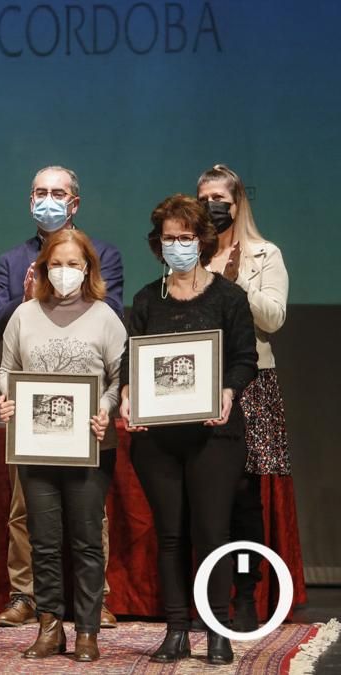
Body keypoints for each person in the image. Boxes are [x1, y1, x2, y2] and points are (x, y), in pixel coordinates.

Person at [120, 195, 257, 665]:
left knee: (212, 531)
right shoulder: (144, 300)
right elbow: (130, 364)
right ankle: (176, 629)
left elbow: (245, 360)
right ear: (158, 244)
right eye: (169, 238)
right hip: (158, 439)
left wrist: (227, 390)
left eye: (186, 237)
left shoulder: (228, 298)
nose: (177, 245)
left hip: (214, 435)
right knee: (171, 534)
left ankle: (217, 630)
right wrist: (125, 394)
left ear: (202, 240)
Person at [0, 166, 124, 629]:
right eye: (40, 192)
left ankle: (93, 602)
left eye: (57, 193)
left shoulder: (104, 255)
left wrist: (104, 408)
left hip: (85, 426)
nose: (48, 200)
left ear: (74, 203)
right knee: (28, 515)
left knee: (89, 522)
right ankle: (28, 599)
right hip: (33, 421)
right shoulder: (11, 261)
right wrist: (29, 295)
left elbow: (114, 323)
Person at [197, 165, 290, 632]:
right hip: (197, 385)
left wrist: (237, 284)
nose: (213, 207)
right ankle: (206, 596)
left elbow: (273, 319)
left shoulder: (263, 253)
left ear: (238, 205)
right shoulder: (189, 254)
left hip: (250, 382)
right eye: (205, 198)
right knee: (204, 494)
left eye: (221, 199)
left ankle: (245, 594)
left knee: (243, 495)